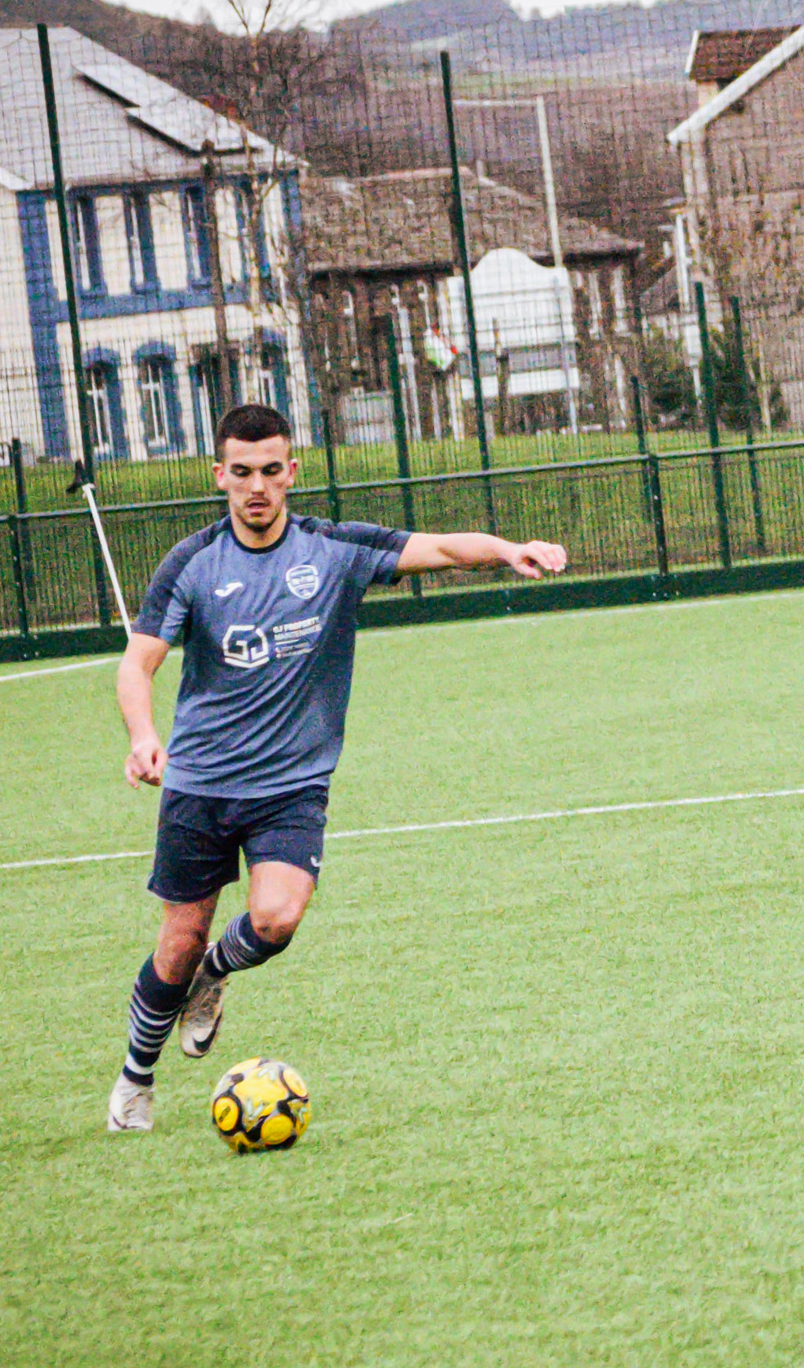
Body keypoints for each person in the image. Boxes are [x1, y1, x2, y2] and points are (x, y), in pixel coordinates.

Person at [104, 402, 568, 1132]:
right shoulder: (192, 564)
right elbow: (139, 662)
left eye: (269, 472)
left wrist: (510, 549)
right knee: (176, 943)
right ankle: (136, 1076)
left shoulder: (332, 551)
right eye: (241, 473)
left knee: (277, 917)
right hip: (199, 783)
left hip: (290, 785)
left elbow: (440, 549)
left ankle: (215, 976)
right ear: (219, 476)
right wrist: (142, 735)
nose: (256, 487)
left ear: (291, 472)